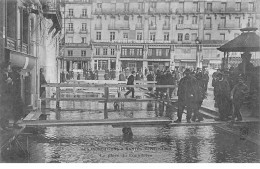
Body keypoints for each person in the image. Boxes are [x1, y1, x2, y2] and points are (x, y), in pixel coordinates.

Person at [0, 63, 13, 130]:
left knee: (7, 110)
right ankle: (3, 125)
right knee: (4, 110)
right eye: (8, 66)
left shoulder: (7, 74)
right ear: (5, 68)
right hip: (4, 95)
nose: (9, 68)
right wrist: (8, 82)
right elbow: (2, 86)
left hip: (7, 95)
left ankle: (5, 124)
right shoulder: (2, 75)